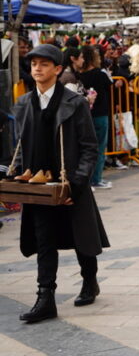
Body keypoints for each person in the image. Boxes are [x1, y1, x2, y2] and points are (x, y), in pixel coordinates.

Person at [10, 44, 110, 323]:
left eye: (44, 64)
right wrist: (17, 180)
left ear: (57, 69)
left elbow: (90, 148)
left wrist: (76, 185)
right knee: (44, 240)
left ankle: (89, 280)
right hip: (39, 186)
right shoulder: (23, 104)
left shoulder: (74, 103)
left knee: (81, 238)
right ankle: (46, 298)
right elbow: (19, 147)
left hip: (70, 182)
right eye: (33, 64)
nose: (37, 69)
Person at [75, 45, 114, 189]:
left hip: (84, 116)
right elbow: (111, 84)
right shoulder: (99, 74)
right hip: (100, 114)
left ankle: (87, 178)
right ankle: (96, 178)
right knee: (99, 147)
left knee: (85, 149)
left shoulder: (78, 76)